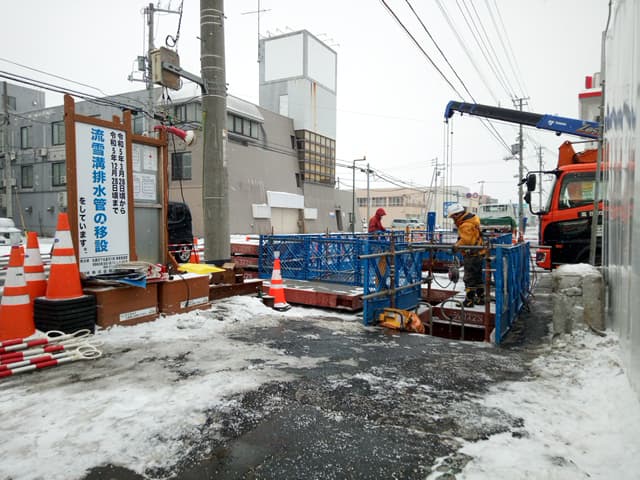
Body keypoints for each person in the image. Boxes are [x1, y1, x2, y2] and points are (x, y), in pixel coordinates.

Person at [447, 203, 486, 308]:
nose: (453, 220)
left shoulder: (466, 225)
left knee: (469, 278)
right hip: (478, 253)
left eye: (453, 217)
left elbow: (466, 240)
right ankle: (481, 298)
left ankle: (469, 301)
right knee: (477, 277)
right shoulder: (471, 221)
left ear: (457, 215)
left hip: (472, 254)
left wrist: (456, 246)